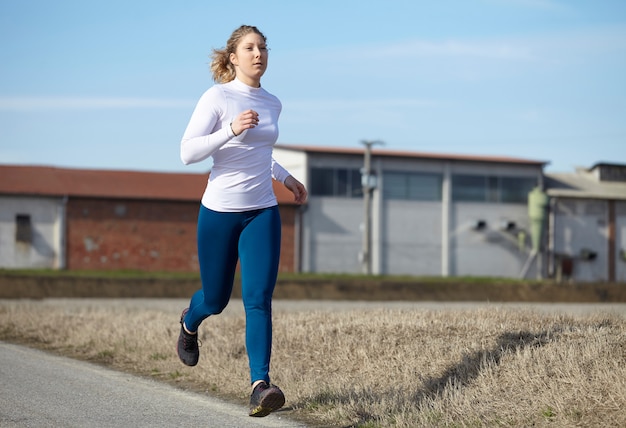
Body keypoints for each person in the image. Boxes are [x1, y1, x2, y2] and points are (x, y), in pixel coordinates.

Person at [176, 25, 307, 418]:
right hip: (219, 211)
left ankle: (259, 386)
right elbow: (187, 152)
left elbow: (260, 153)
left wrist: (285, 178)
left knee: (258, 299)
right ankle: (189, 322)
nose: (258, 54)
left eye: (263, 47)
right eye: (249, 48)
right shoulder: (217, 97)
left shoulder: (272, 102)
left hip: (262, 211)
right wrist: (230, 129)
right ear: (233, 57)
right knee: (215, 299)